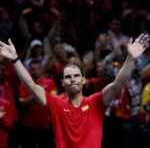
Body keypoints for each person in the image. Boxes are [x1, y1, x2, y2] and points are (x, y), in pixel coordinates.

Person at [0, 33, 149, 148]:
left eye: (77, 75)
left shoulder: (96, 102)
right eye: (68, 77)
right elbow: (31, 85)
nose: (73, 79)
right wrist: (14, 59)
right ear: (63, 83)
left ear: (84, 80)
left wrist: (130, 59)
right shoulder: (56, 103)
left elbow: (117, 84)